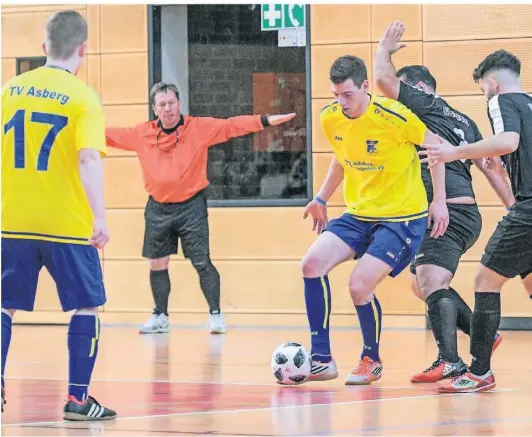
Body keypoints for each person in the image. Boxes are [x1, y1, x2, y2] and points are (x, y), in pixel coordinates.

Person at [294, 54, 448, 386]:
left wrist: (439, 200)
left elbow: (436, 148)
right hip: (359, 213)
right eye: (335, 94)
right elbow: (341, 159)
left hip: (402, 217)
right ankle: (321, 359)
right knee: (311, 264)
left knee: (359, 284)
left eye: (347, 94)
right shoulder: (331, 118)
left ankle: (370, 359)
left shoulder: (395, 116)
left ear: (365, 86)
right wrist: (321, 198)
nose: (341, 102)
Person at [374, 22, 514, 383]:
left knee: (430, 277)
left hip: (447, 210)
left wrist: (385, 50)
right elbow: (493, 168)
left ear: (419, 88)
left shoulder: (424, 104)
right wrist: (512, 206)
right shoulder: (464, 120)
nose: (397, 99)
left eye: (404, 90)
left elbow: (384, 81)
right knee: (419, 283)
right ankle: (483, 333)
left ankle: (449, 360)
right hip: (466, 213)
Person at [105, 82, 295, 335]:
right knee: (157, 263)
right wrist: (72, 126)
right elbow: (108, 135)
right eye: (162, 104)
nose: (168, 109)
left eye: (171, 103)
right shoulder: (142, 133)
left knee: (201, 261)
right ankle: (160, 315)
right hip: (158, 207)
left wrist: (265, 120)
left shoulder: (198, 128)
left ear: (179, 104)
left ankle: (216, 314)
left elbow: (231, 126)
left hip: (191, 205)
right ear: (154, 109)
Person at [1, 11, 116, 420]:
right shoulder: (83, 97)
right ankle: (78, 401)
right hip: (66, 225)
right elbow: (88, 159)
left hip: (12, 221)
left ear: (43, 47)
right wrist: (100, 218)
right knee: (87, 306)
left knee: (3, 305)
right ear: (83, 48)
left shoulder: (9, 90)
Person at [420, 49, 532, 393]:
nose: (484, 93)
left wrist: (456, 151)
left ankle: (480, 371)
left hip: (529, 208)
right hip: (525, 207)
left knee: (485, 281)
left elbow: (508, 142)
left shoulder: (501, 102)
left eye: (483, 87)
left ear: (493, 82)